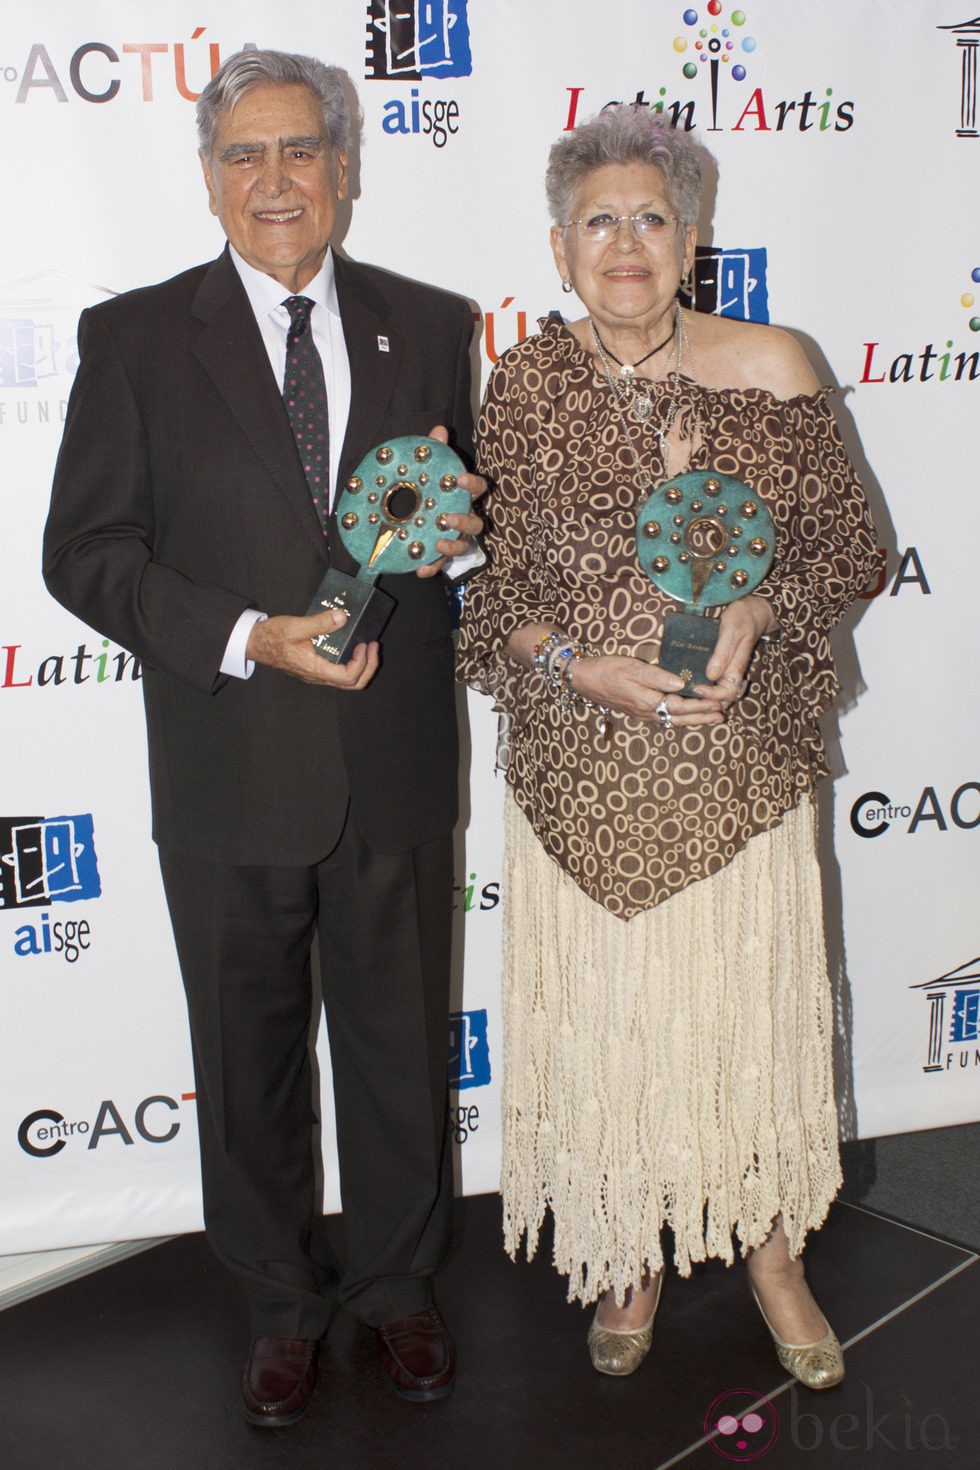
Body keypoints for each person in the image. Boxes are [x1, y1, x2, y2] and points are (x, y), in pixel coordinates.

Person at [43, 49, 483, 1426]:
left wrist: (467, 545)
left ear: (347, 168)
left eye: (302, 151)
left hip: (393, 761)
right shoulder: (134, 337)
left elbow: (457, 523)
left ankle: (400, 1289)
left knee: (403, 1049)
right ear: (208, 176)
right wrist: (248, 632)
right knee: (248, 1065)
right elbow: (87, 553)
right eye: (247, 155)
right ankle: (283, 1303)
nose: (276, 181)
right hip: (230, 757)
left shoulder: (433, 319)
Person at [456, 106, 878, 1389]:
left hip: (737, 772)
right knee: (617, 1033)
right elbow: (493, 595)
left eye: (649, 218)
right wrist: (571, 665)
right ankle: (624, 1244)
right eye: (599, 221)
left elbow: (850, 551)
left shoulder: (774, 363)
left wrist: (755, 607)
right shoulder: (524, 386)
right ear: (556, 245)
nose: (624, 243)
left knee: (747, 1022)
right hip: (582, 780)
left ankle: (770, 1255)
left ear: (691, 239)